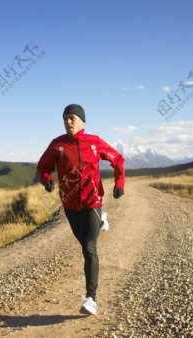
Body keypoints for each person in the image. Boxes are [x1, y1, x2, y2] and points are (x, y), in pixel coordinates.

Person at [37, 104, 125, 316]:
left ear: (82, 122)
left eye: (72, 118)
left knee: (89, 247)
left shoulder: (94, 142)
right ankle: (101, 222)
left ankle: (91, 299)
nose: (68, 121)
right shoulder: (57, 145)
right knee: (83, 242)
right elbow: (43, 167)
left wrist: (119, 183)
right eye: (65, 118)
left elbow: (118, 159)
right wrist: (46, 179)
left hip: (92, 201)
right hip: (69, 204)